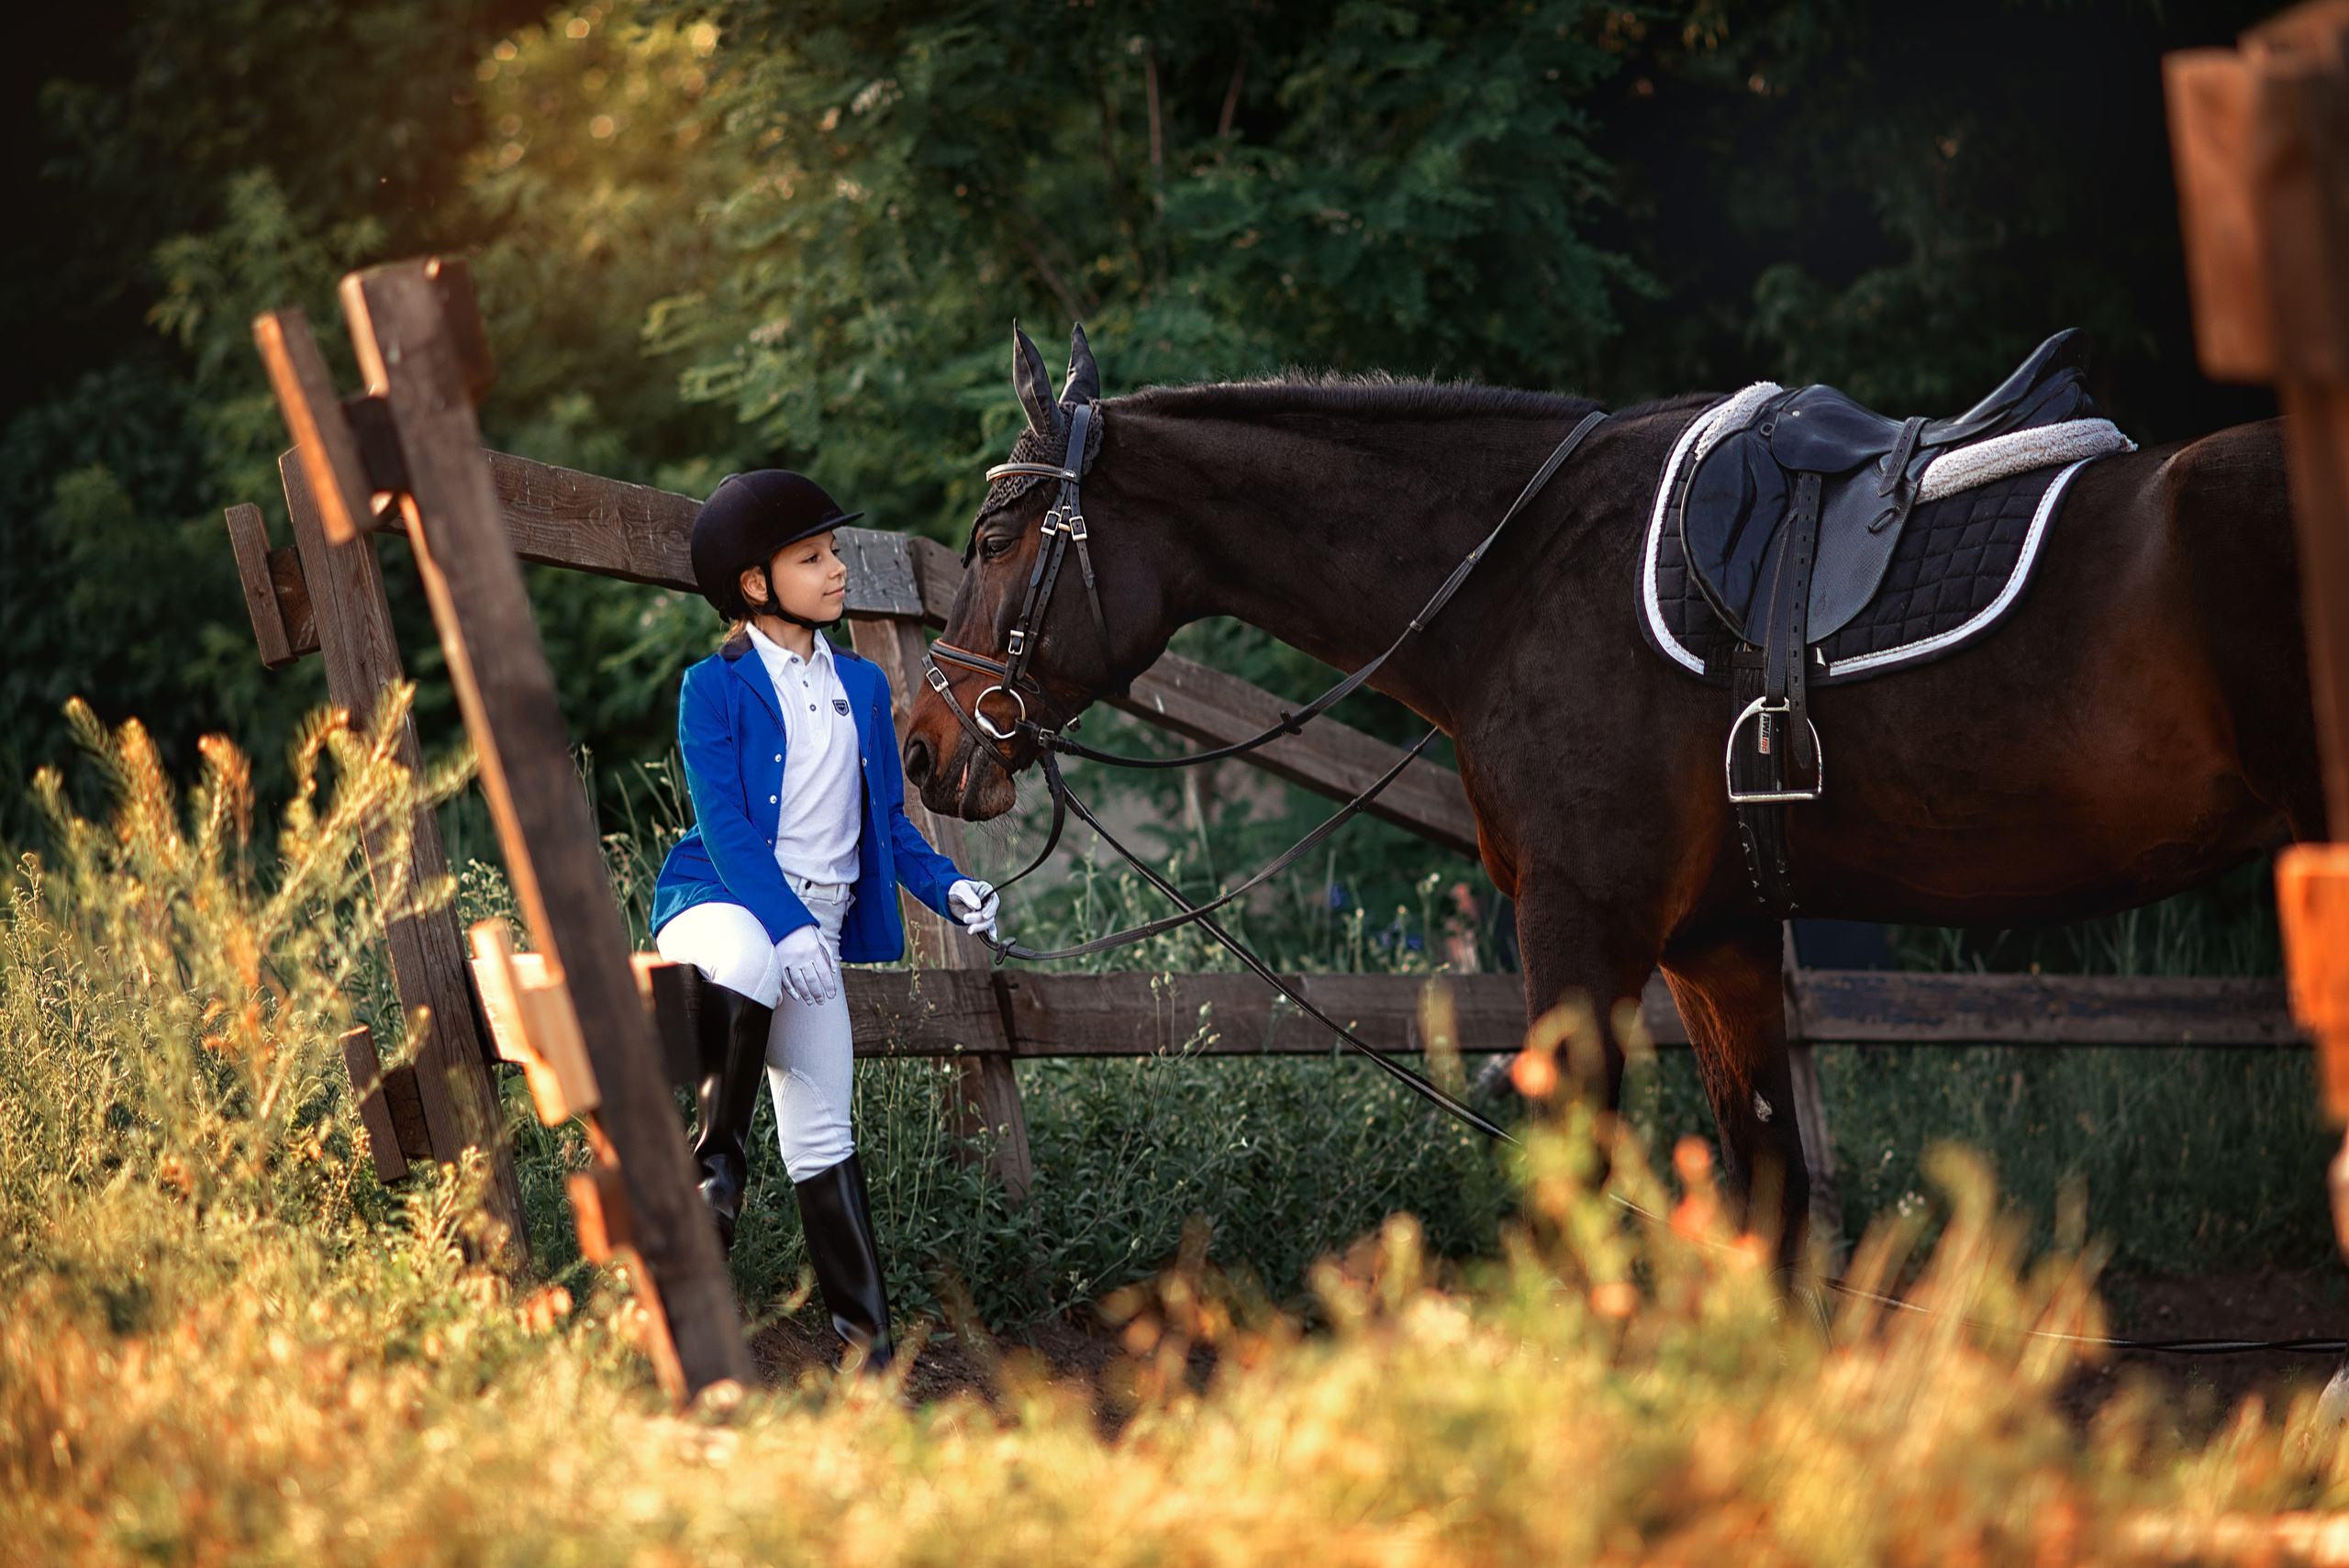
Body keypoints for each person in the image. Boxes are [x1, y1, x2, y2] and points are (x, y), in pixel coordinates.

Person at [650, 469, 1000, 1372]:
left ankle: (868, 1359)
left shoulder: (857, 680)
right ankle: (714, 1165)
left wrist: (950, 887)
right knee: (753, 957)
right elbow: (726, 828)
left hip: (811, 932)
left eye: (836, 551)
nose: (838, 569)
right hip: (720, 906)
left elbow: (883, 820)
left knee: (824, 1137)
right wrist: (788, 923)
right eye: (813, 557)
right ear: (757, 584)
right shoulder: (710, 688)